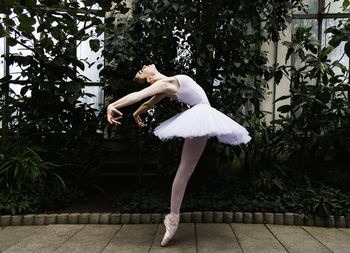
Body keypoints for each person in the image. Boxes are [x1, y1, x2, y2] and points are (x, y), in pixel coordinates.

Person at [107, 64, 251, 246]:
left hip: (201, 115)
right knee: (185, 170)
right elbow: (138, 96)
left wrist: (137, 113)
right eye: (141, 72)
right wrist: (113, 105)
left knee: (185, 170)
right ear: (150, 80)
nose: (143, 67)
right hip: (201, 115)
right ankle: (173, 219)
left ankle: (173, 219)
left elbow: (148, 103)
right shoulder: (165, 83)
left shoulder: (166, 84)